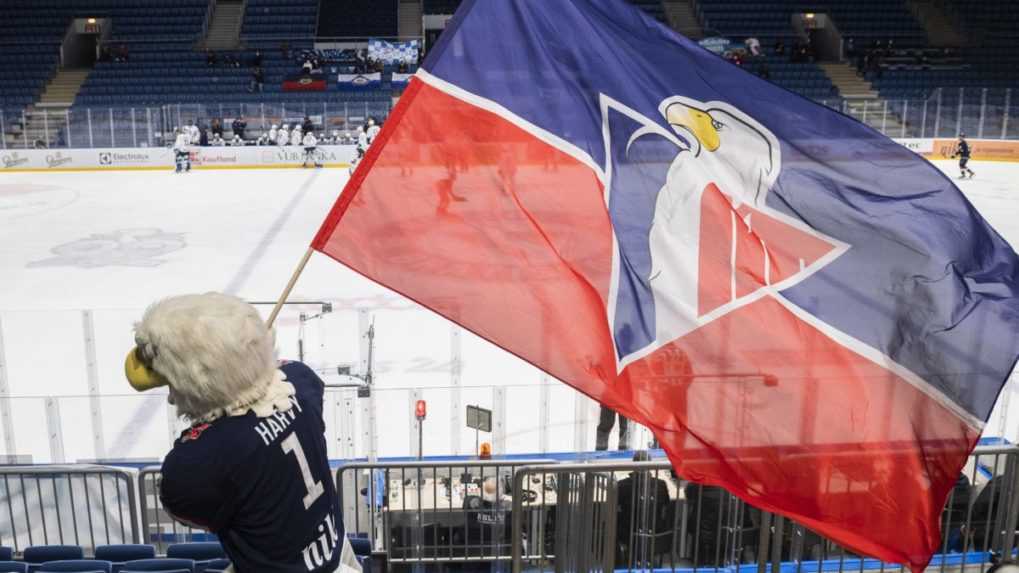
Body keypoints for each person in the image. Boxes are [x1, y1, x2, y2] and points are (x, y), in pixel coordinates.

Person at [124, 293, 362, 573]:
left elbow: (184, 504)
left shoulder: (202, 460)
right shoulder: (299, 380)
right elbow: (282, 373)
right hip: (335, 552)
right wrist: (252, 363)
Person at [615, 451, 674, 566]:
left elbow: (614, 505)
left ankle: (618, 561)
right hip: (657, 533)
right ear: (650, 465)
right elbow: (666, 505)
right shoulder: (661, 484)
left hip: (629, 534)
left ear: (633, 464)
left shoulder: (622, 485)